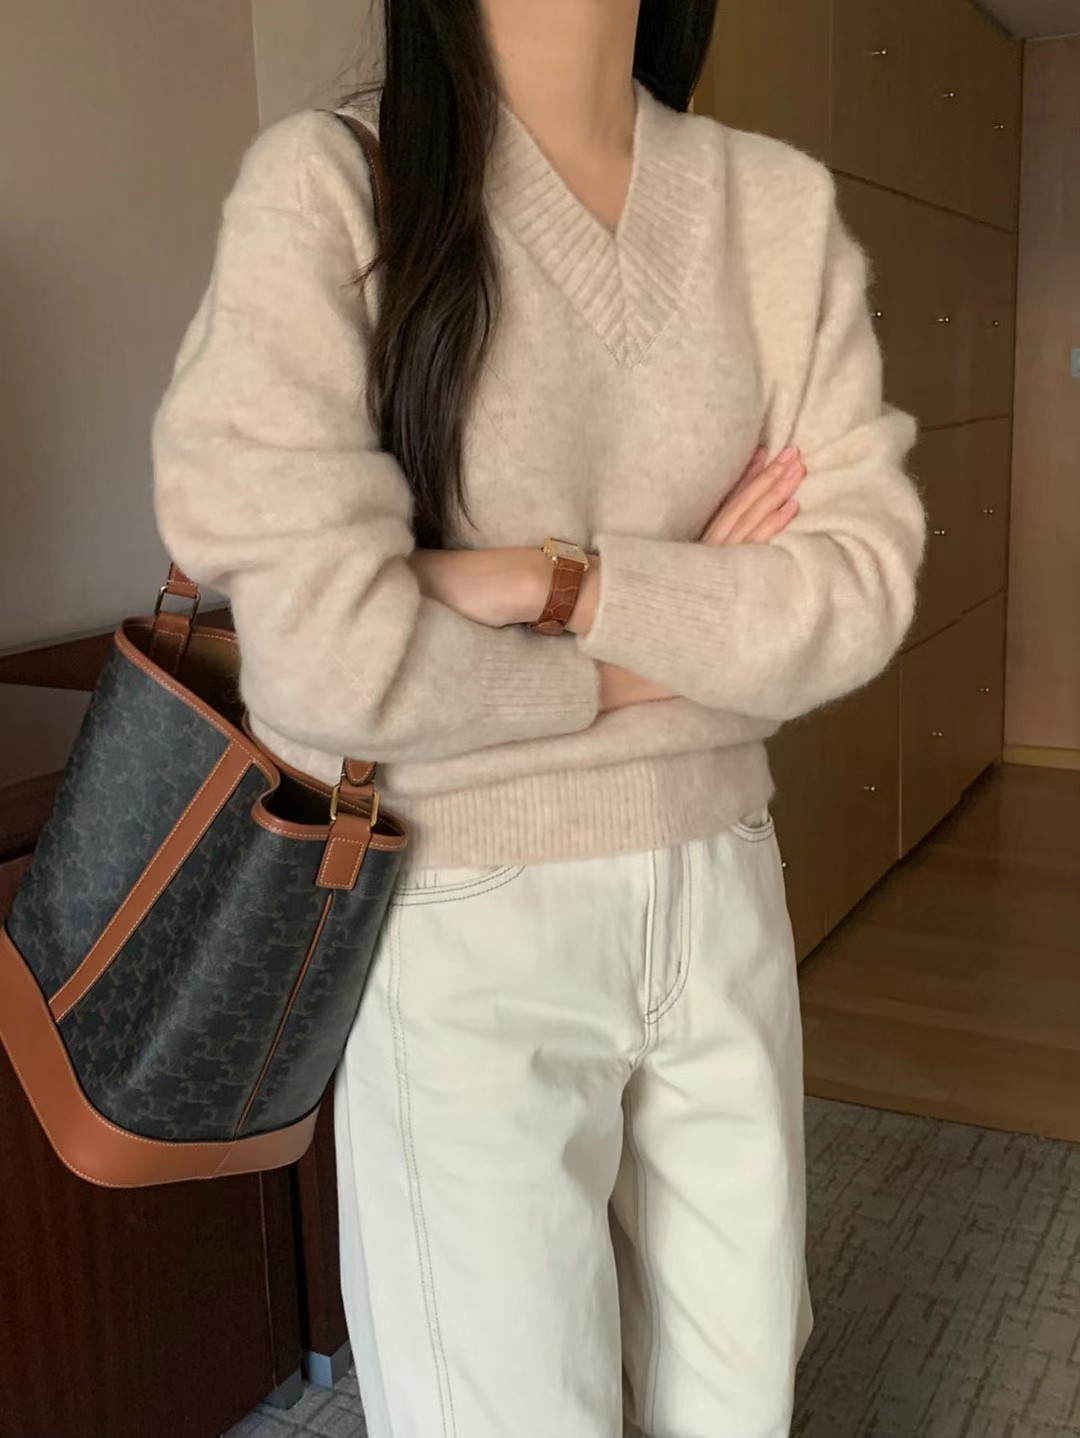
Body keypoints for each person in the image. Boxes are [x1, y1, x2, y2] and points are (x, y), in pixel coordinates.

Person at [150, 1, 927, 1433]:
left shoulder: (774, 208)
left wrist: (549, 587)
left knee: (741, 1397)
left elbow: (856, 592)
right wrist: (684, 617)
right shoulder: (333, 190)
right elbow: (327, 651)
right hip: (463, 908)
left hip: (722, 881)